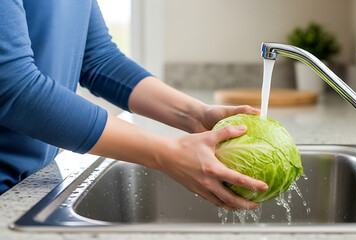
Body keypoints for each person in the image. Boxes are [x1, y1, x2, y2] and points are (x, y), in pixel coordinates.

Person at [0, 0, 268, 211]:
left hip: (33, 182)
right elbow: (15, 88)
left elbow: (97, 58)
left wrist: (196, 115)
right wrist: (167, 152)